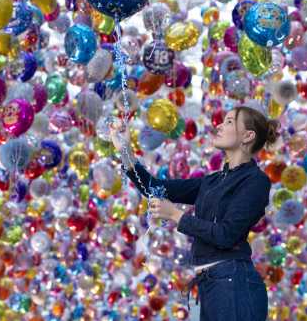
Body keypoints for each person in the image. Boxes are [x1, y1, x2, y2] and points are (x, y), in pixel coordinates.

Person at [109, 105, 280, 321]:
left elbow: (226, 234)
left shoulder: (255, 181)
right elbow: (153, 187)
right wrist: (125, 150)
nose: (218, 125)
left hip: (233, 284)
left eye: (228, 121)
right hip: (209, 284)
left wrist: (176, 216)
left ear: (248, 136)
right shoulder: (211, 181)